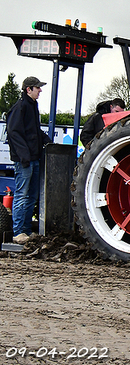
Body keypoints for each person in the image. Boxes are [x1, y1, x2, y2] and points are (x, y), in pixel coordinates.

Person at [6, 76, 52, 244]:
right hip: (24, 160)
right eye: (37, 87)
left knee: (31, 196)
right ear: (28, 89)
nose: (40, 90)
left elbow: (33, 131)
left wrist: (46, 140)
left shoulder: (32, 106)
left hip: (33, 158)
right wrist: (24, 155)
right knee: (21, 195)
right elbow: (14, 132)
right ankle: (18, 232)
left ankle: (25, 231)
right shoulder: (20, 107)